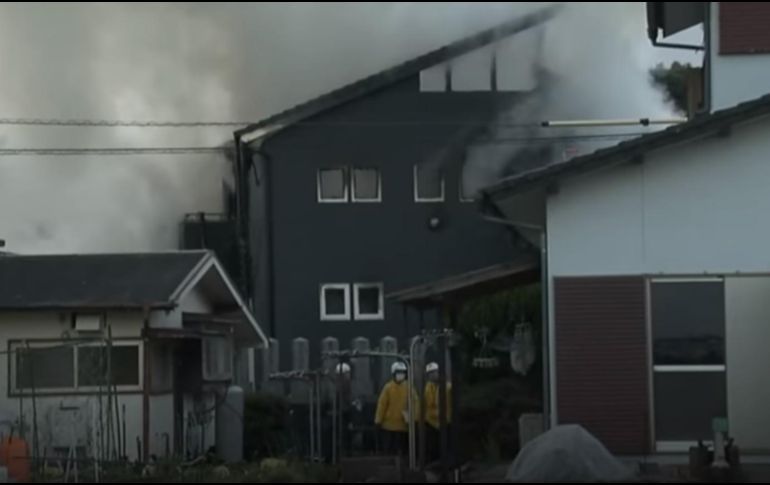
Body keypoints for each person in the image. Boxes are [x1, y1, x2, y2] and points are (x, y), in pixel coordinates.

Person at [375, 362, 418, 457]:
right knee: (389, 452)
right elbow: (382, 405)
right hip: (388, 426)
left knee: (401, 451)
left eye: (403, 372)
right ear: (393, 373)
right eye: (398, 372)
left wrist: (414, 419)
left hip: (403, 426)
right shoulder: (388, 387)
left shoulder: (409, 387)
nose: (401, 374)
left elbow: (415, 404)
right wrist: (378, 420)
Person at [423, 362, 452, 463]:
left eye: (434, 372)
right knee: (433, 446)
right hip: (432, 422)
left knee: (445, 445)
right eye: (429, 373)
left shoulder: (448, 387)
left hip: (445, 422)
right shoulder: (427, 388)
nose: (432, 375)